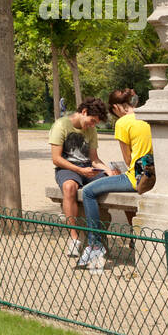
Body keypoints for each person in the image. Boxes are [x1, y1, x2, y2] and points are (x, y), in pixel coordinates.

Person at [77, 88, 154, 270]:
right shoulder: (148, 115)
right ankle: (133, 241)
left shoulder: (123, 123)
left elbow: (128, 161)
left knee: (88, 192)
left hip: (138, 178)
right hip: (154, 174)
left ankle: (95, 245)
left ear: (115, 107)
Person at [49, 97, 110, 258]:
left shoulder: (92, 130)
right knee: (69, 187)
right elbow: (56, 159)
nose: (92, 125)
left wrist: (108, 171)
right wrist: (79, 171)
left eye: (95, 123)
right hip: (67, 168)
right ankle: (75, 238)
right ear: (84, 112)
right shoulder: (61, 125)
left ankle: (129, 236)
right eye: (91, 121)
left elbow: (95, 159)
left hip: (88, 169)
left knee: (114, 183)